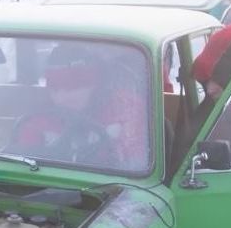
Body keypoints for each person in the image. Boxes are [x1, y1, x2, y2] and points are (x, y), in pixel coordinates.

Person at [8, 43, 148, 169]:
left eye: (72, 88)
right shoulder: (38, 118)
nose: (61, 98)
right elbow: (24, 165)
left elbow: (136, 163)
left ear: (96, 86)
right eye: (54, 89)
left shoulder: (125, 109)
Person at [171, 23, 231, 169]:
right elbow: (185, 165)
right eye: (206, 82)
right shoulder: (207, 115)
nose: (210, 90)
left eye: (220, 79)